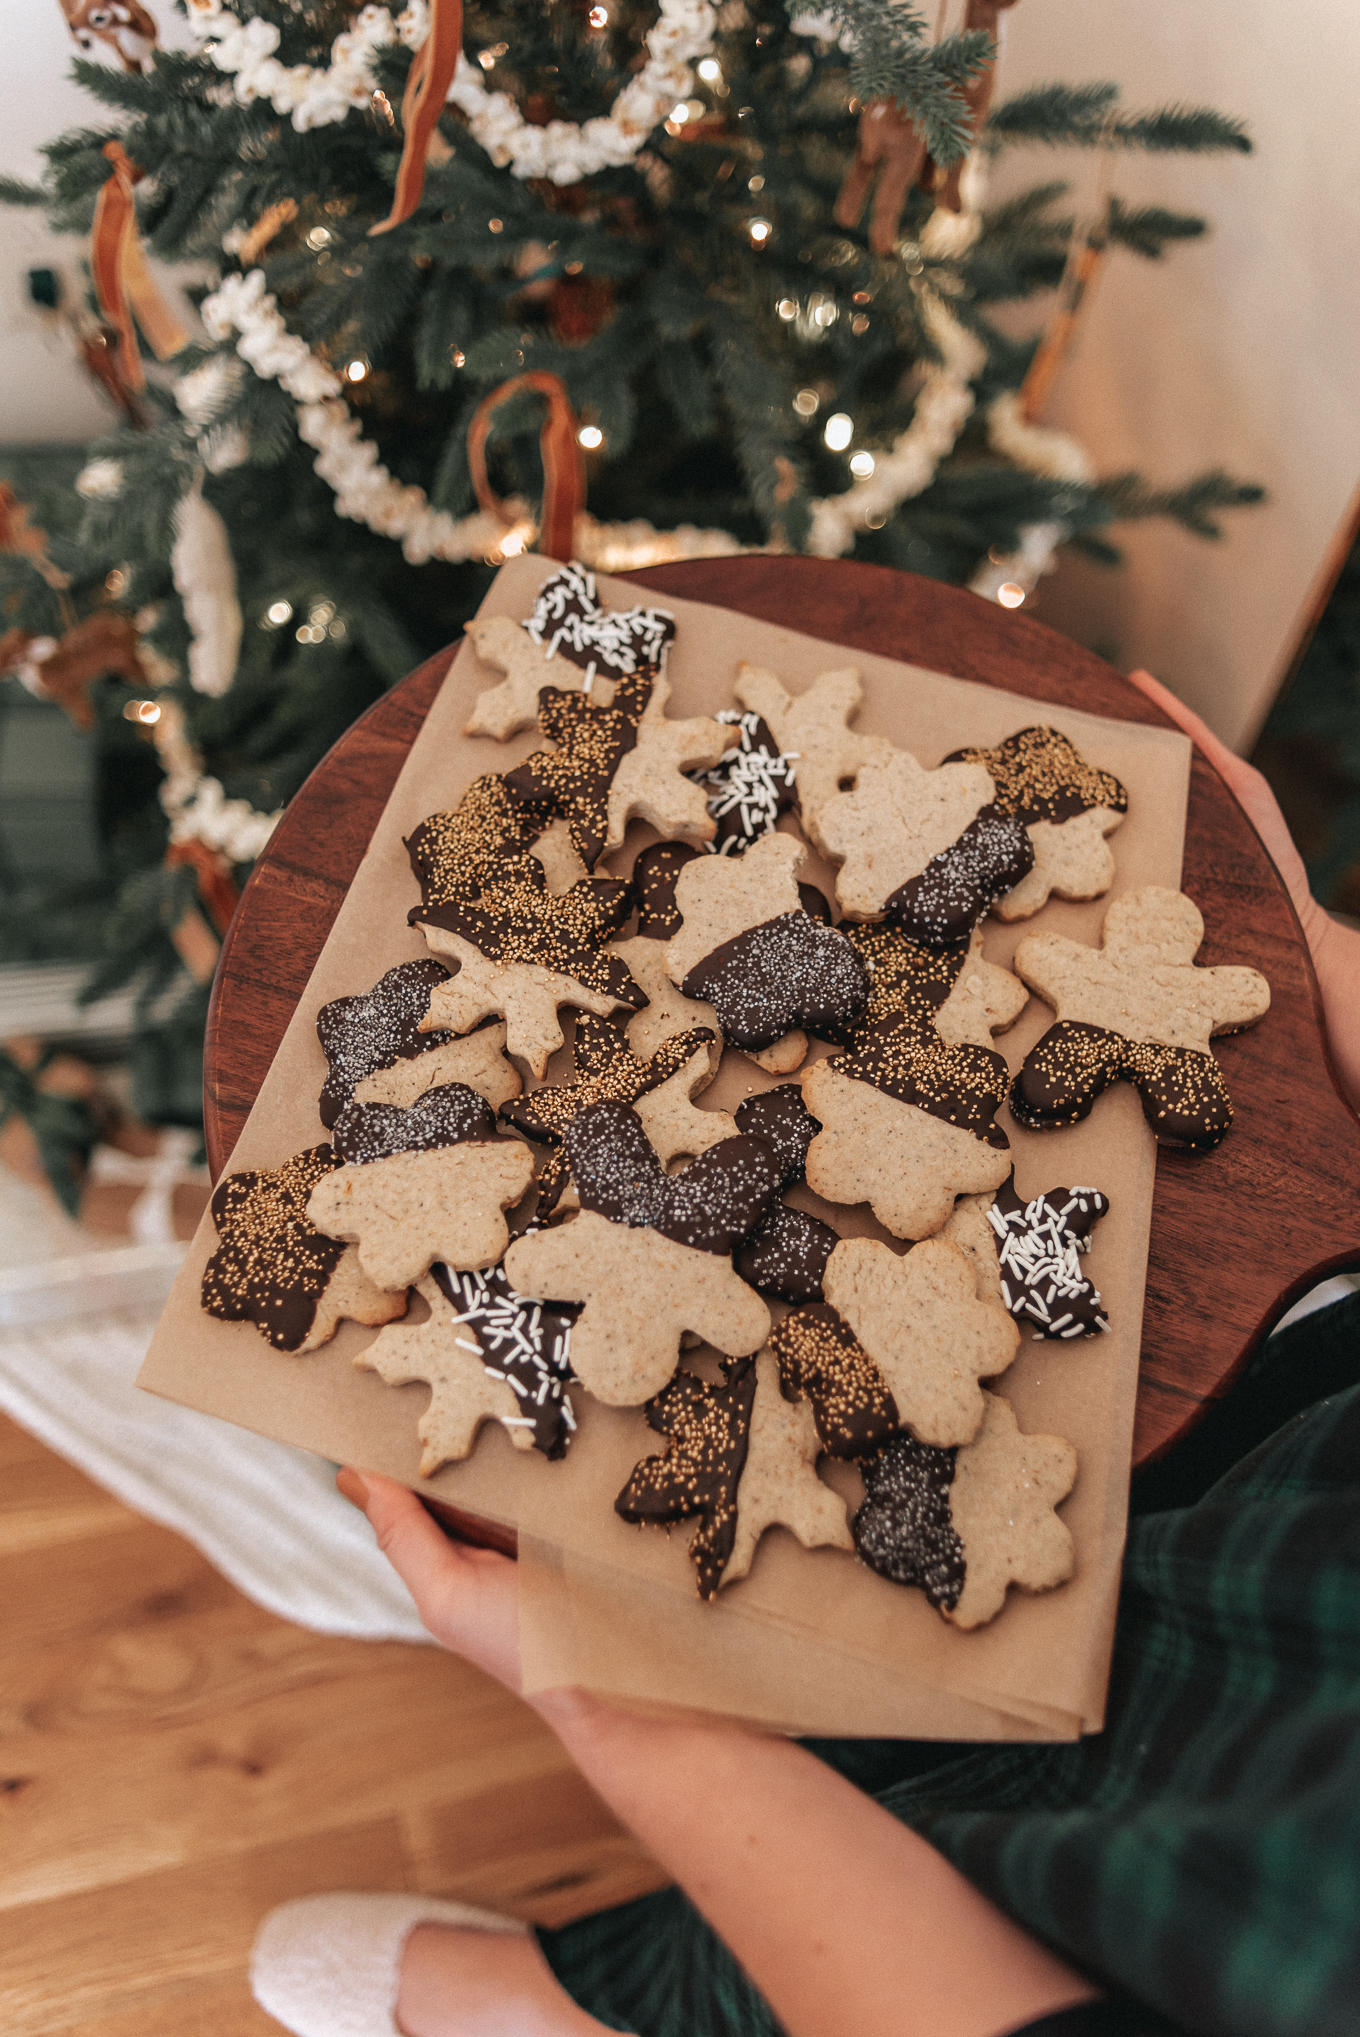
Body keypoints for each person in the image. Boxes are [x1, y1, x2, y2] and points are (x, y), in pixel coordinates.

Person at [250, 673, 1360, 2037]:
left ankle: (601, 2011)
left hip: (1121, 1918)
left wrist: (612, 1705)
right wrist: (1317, 948)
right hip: (1298, 1433)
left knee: (884, 1865)